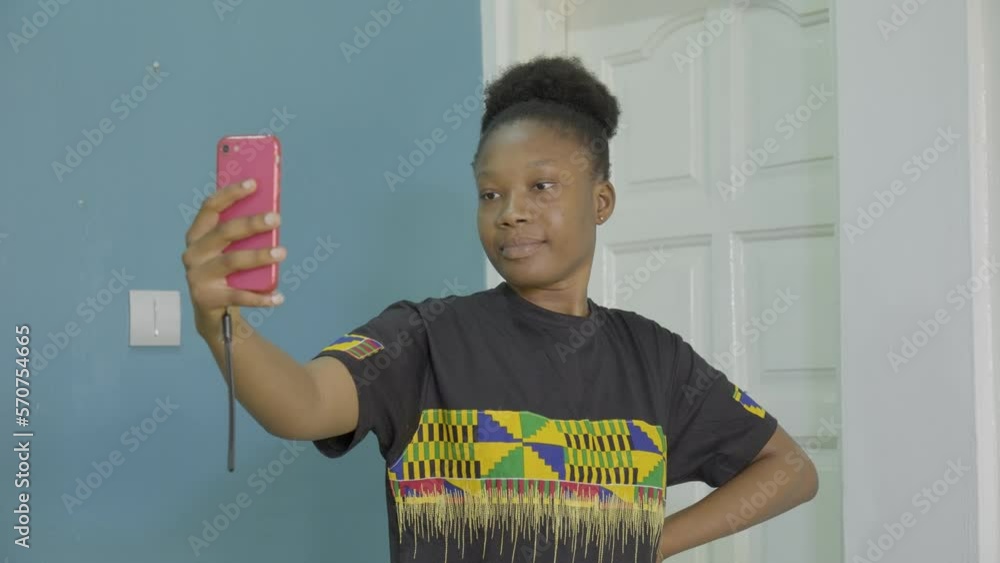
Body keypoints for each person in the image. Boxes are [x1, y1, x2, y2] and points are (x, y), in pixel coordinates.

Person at [182, 56, 818, 562]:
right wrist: (222, 325)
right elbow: (301, 405)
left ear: (602, 201)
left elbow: (789, 470)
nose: (510, 211)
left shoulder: (656, 358)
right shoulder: (423, 336)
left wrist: (652, 544)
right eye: (490, 193)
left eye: (541, 187)